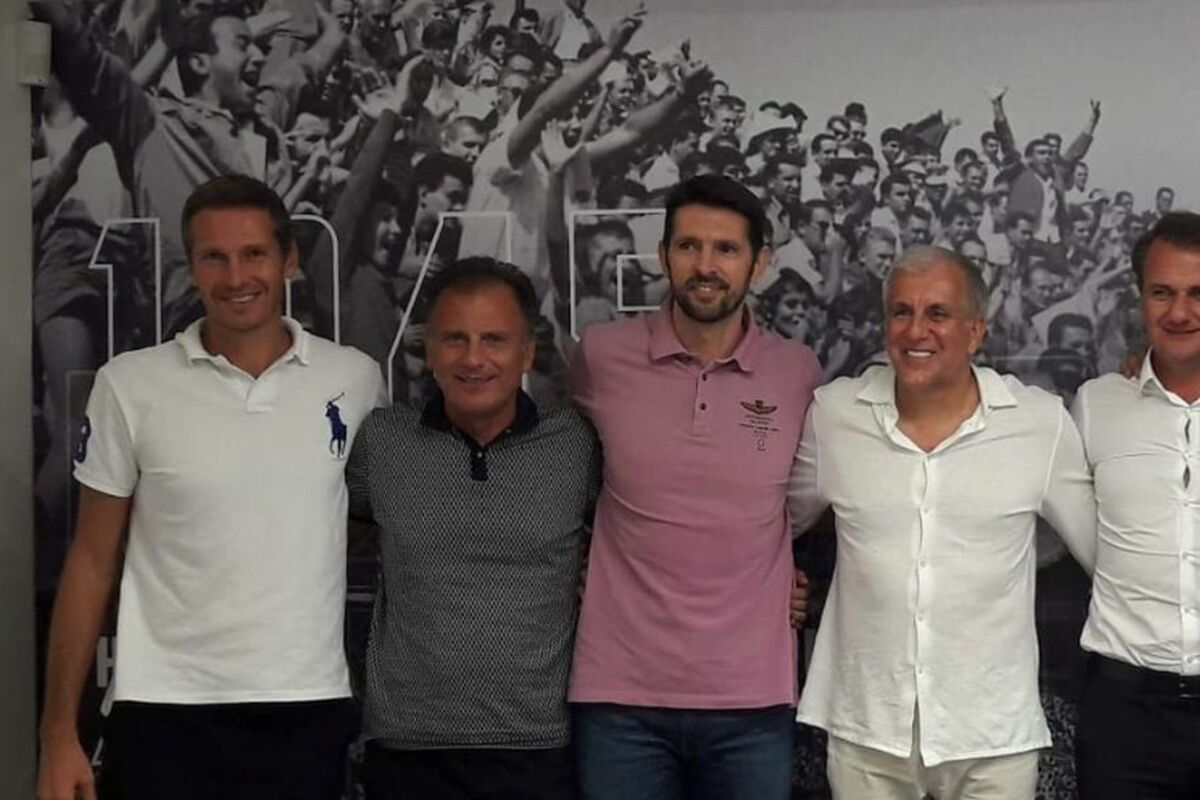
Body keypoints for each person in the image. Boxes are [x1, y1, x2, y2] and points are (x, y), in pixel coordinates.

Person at [35, 175, 386, 800]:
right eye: (214, 257)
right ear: (191, 267)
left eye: (254, 254)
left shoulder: (356, 380)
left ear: (289, 260)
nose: (235, 277)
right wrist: (59, 733)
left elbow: (368, 524)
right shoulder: (128, 384)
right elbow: (90, 561)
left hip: (305, 707)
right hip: (160, 710)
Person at [788, 245, 1097, 799]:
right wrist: (774, 588)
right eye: (901, 312)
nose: (916, 331)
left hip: (992, 733)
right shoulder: (834, 416)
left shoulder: (1038, 423)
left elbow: (1105, 553)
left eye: (937, 313)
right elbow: (771, 528)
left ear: (976, 330)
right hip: (867, 727)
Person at [569, 175, 822, 800]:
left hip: (752, 698)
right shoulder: (599, 357)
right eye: (689, 246)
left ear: (760, 264)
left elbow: (817, 501)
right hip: (619, 695)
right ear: (663, 256)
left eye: (726, 249)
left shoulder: (798, 373)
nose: (705, 266)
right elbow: (551, 474)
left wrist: (801, 578)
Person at [347, 257, 601, 800]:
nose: (474, 359)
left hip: (536, 749)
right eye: (455, 339)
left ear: (527, 352)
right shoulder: (382, 443)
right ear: (429, 350)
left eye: (494, 339)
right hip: (406, 749)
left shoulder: (576, 446)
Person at [1071, 212, 1200, 797]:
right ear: (1140, 298)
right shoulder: (1097, 404)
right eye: (1163, 292)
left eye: (1198, 294)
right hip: (1126, 715)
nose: (1180, 312)